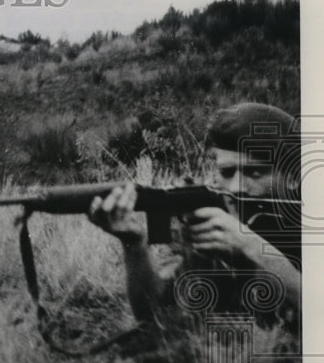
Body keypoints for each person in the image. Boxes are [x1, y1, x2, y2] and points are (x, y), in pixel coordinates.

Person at [88, 102, 301, 335]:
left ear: (292, 177)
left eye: (255, 172)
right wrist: (134, 244)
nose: (237, 187)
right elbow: (156, 316)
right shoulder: (220, 229)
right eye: (227, 173)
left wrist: (254, 249)